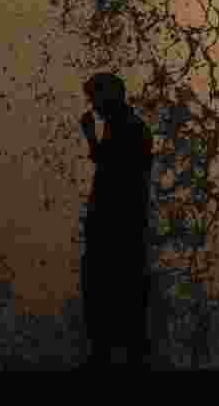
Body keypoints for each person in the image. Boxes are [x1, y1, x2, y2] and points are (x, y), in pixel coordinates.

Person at [78, 72, 154, 368]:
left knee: (110, 289)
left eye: (95, 97)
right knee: (116, 290)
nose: (92, 106)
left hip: (118, 227)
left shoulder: (127, 127)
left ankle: (111, 358)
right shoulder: (123, 125)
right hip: (121, 224)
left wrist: (89, 136)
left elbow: (114, 166)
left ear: (109, 95)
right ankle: (116, 355)